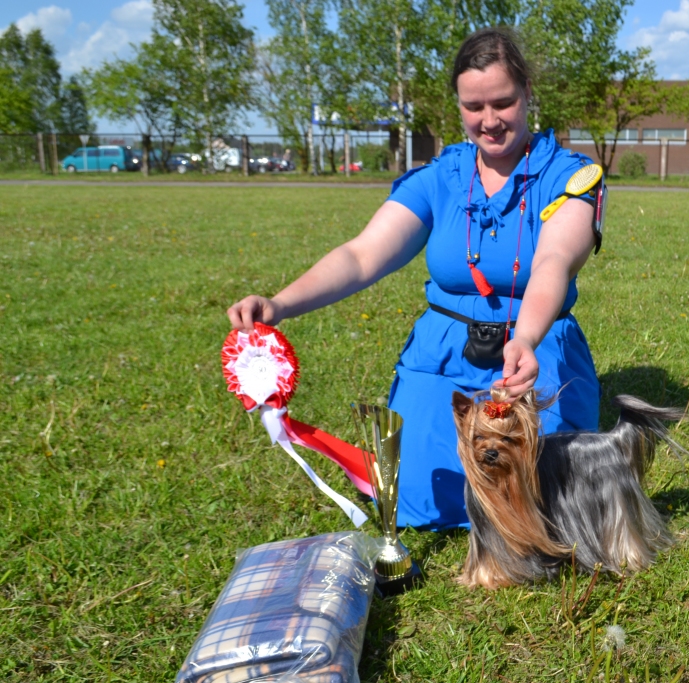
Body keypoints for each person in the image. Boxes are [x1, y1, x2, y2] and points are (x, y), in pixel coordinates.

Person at [227, 27, 600, 529]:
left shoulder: (569, 174)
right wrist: (279, 304)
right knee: (420, 502)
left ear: (528, 92)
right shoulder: (438, 177)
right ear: (458, 106)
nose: (489, 121)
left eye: (503, 102)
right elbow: (362, 256)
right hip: (440, 355)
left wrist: (527, 337)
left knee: (547, 503)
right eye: (473, 106)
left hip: (533, 354)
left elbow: (554, 260)